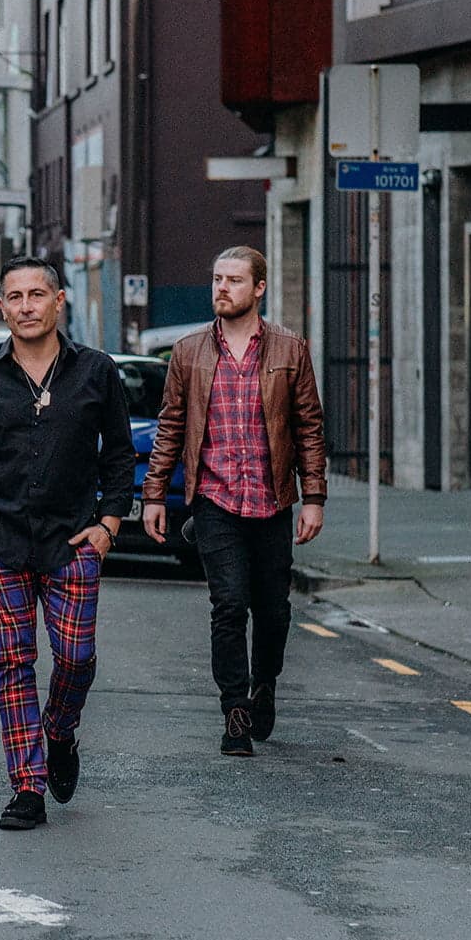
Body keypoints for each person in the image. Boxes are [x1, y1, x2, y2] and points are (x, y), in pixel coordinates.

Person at [0, 257, 134, 831]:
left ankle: (61, 731)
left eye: (37, 294)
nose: (26, 306)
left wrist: (109, 525)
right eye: (14, 297)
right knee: (14, 660)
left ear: (58, 300)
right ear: (2, 307)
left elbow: (120, 454)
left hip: (73, 541)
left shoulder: (96, 371)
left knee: (75, 659)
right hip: (0, 541)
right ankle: (27, 786)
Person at [141, 246, 326, 757]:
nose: (222, 288)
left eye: (235, 281)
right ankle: (234, 710)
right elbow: (171, 428)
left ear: (259, 288)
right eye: (218, 279)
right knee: (228, 606)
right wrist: (154, 493)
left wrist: (314, 497)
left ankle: (264, 685)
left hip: (271, 502)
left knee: (273, 612)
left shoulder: (290, 349)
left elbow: (309, 428)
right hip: (215, 500)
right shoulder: (189, 352)